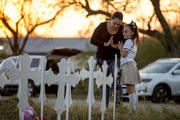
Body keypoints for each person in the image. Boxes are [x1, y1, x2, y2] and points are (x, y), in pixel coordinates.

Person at [90, 11, 124, 107]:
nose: (116, 26)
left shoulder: (122, 29)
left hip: (115, 59)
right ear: (110, 19)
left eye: (119, 24)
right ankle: (104, 106)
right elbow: (92, 40)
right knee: (104, 83)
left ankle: (119, 105)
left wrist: (117, 47)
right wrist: (105, 44)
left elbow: (125, 45)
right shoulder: (102, 26)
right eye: (115, 23)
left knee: (116, 80)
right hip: (102, 59)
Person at [118, 21, 142, 111]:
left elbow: (124, 55)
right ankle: (134, 108)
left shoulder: (128, 41)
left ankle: (133, 109)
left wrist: (120, 48)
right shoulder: (133, 41)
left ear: (132, 32)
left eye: (126, 31)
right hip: (130, 65)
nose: (124, 33)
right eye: (123, 31)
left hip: (128, 65)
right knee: (132, 89)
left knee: (130, 89)